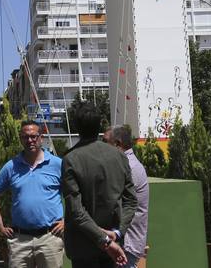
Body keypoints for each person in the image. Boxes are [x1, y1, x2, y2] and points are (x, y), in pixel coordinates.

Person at [60, 100, 135, 268]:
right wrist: (117, 233)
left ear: (76, 127)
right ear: (100, 124)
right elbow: (131, 201)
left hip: (84, 248)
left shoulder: (70, 159)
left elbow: (76, 211)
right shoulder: (120, 156)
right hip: (113, 245)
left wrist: (105, 241)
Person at [0, 120, 65, 268]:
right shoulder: (11, 166)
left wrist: (66, 221)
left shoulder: (57, 164)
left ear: (41, 137)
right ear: (21, 139)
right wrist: (1, 227)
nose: (30, 140)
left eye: (34, 136)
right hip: (20, 240)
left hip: (50, 239)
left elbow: (74, 195)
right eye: (25, 137)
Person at [106, 126, 149, 268]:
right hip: (123, 241)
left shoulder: (129, 167)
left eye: (105, 142)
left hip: (126, 243)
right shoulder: (126, 165)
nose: (101, 147)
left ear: (117, 144)